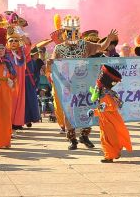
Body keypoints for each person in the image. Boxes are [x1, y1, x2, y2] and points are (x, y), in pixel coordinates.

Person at [50, 16, 117, 150]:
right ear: (64, 33)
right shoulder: (58, 48)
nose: (72, 34)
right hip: (67, 84)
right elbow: (53, 65)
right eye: (69, 32)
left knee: (87, 108)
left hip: (85, 83)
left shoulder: (85, 45)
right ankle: (72, 139)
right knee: (69, 111)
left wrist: (108, 39)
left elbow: (100, 47)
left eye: (75, 31)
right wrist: (52, 67)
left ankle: (85, 136)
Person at [90, 65, 131, 163]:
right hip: (106, 121)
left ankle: (109, 156)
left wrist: (98, 109)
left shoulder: (106, 94)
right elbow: (104, 107)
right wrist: (95, 111)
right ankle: (114, 153)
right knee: (110, 138)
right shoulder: (105, 93)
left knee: (107, 139)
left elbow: (111, 107)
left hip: (110, 122)